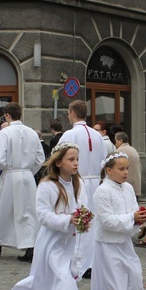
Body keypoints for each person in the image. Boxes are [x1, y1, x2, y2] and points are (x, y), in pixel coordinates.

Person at [7, 142, 92, 290]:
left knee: (53, 285)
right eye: (71, 159)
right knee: (65, 284)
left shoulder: (78, 183)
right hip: (52, 244)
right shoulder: (47, 185)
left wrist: (84, 219)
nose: (75, 163)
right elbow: (43, 216)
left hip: (70, 243)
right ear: (59, 161)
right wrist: (67, 220)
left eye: (77, 159)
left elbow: (83, 208)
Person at [92, 152, 146, 290]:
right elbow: (106, 221)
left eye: (127, 168)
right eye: (121, 168)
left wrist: (139, 217)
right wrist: (131, 218)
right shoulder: (102, 191)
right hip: (107, 244)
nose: (125, 172)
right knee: (112, 284)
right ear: (109, 170)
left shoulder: (128, 189)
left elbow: (132, 211)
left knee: (132, 276)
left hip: (124, 241)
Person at [0, 103, 44, 261]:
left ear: (7, 116)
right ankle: (31, 248)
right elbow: (40, 158)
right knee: (28, 212)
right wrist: (30, 171)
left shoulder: (5, 133)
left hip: (10, 176)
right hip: (27, 178)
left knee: (3, 210)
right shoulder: (32, 133)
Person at [59, 100, 108, 278]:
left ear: (72, 113)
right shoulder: (97, 136)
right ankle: (92, 262)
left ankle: (77, 261)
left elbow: (59, 158)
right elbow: (104, 161)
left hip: (76, 182)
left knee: (77, 221)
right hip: (95, 183)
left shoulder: (69, 134)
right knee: (92, 223)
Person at [115, 132, 141, 198]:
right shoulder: (133, 149)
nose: (115, 144)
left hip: (126, 184)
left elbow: (116, 167)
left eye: (116, 141)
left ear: (120, 141)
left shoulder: (120, 151)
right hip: (135, 183)